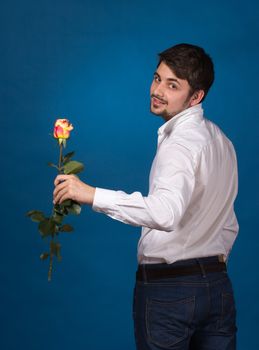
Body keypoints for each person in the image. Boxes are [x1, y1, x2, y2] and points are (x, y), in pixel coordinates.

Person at [53, 43, 239, 349]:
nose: (157, 90)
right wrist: (207, 274)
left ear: (196, 97)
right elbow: (228, 223)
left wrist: (90, 194)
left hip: (170, 291)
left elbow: (165, 213)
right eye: (157, 78)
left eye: (172, 85)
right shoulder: (222, 141)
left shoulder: (180, 143)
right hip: (218, 289)